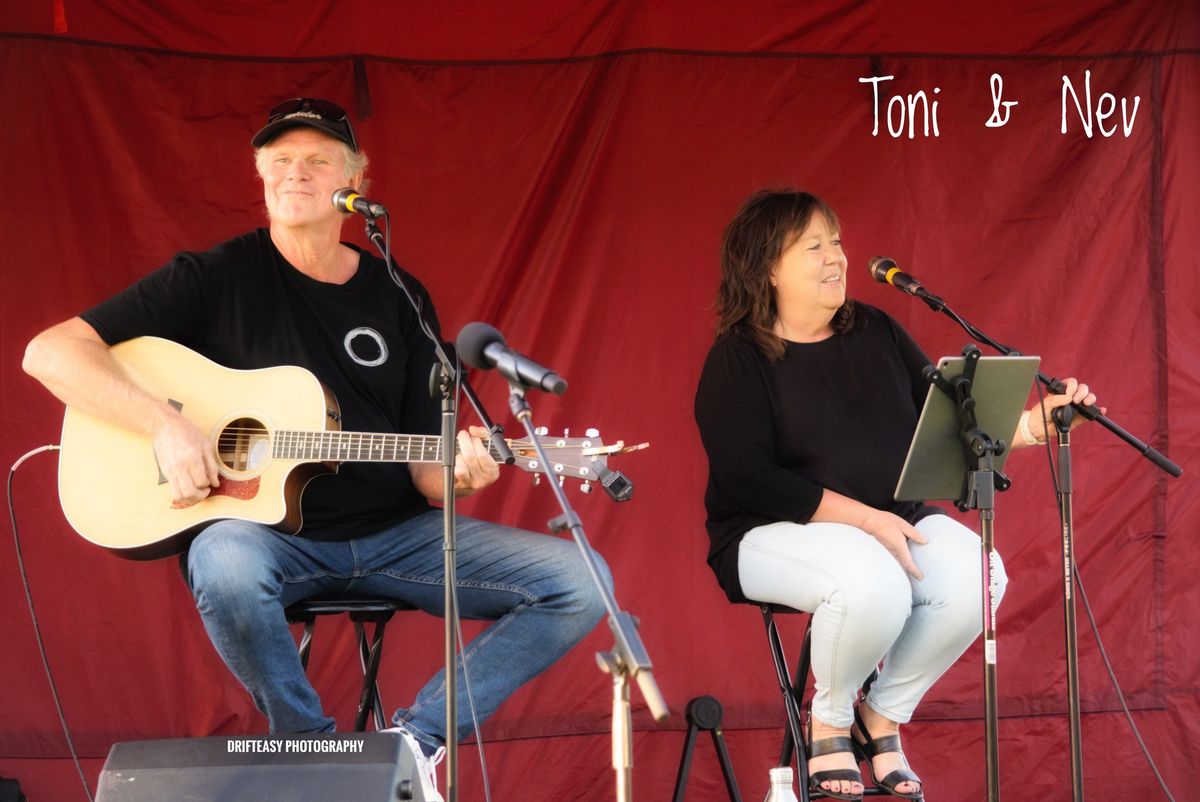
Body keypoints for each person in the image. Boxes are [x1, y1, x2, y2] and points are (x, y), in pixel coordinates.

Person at [23, 97, 610, 802]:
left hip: (397, 534)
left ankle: (413, 745)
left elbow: (430, 477)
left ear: (354, 179)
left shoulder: (398, 295)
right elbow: (50, 353)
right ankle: (317, 759)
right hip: (270, 539)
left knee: (581, 580)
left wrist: (466, 471)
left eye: (316, 161)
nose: (295, 174)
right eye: (281, 162)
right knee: (224, 562)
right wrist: (162, 425)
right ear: (261, 176)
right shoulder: (215, 277)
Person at [693, 190, 1098, 800]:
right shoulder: (737, 359)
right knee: (871, 578)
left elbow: (943, 429)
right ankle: (827, 721)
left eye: (837, 241)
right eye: (814, 246)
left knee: (977, 574)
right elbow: (750, 477)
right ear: (767, 268)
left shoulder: (874, 329)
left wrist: (1035, 425)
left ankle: (878, 719)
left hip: (888, 522)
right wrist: (866, 521)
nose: (837, 257)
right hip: (766, 534)